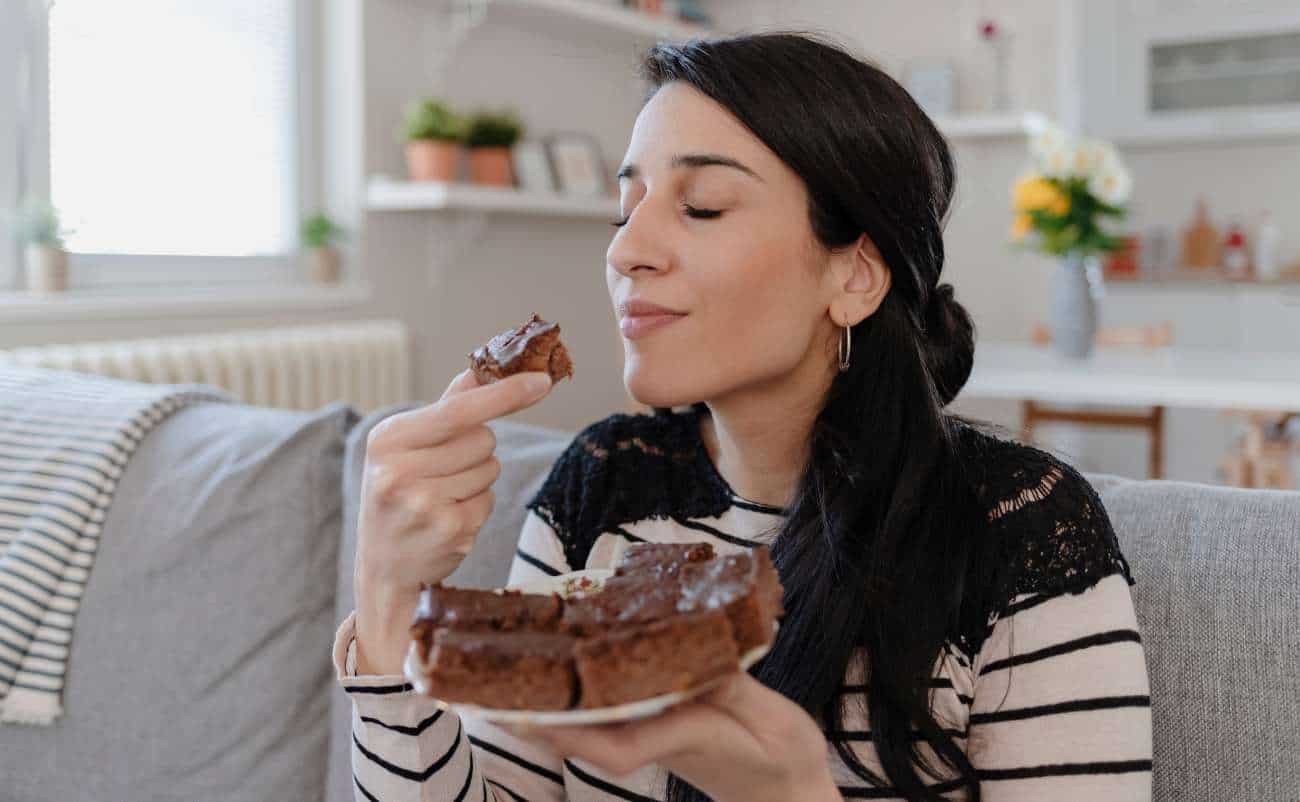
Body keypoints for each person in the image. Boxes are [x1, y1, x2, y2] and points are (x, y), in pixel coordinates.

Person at [334, 31, 1153, 802]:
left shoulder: (1018, 532)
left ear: (855, 277)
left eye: (704, 207)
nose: (625, 251)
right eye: (627, 208)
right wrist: (383, 598)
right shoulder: (604, 484)